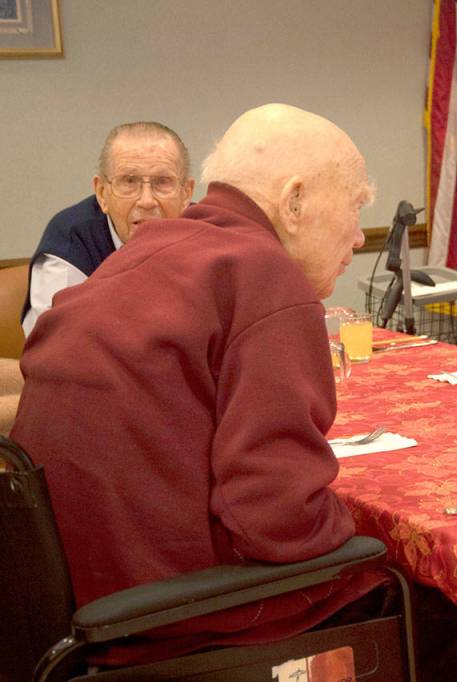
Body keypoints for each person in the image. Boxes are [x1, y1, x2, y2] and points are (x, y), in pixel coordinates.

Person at [11, 104, 381, 663]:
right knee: (435, 605)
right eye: (356, 206)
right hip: (167, 623)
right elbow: (276, 521)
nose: (357, 236)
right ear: (294, 201)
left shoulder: (148, 251)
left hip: (55, 616)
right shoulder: (265, 275)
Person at [21, 121, 195, 337]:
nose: (147, 201)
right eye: (129, 181)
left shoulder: (209, 236)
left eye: (163, 182)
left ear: (186, 194)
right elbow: (56, 348)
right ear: (102, 193)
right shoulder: (70, 244)